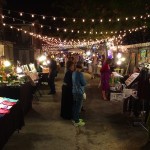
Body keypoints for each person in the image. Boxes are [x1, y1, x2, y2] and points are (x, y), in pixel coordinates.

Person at [72, 62, 86, 126]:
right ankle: (77, 121)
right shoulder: (80, 74)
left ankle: (74, 119)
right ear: (81, 67)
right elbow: (83, 83)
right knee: (78, 107)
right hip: (79, 92)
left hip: (74, 91)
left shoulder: (74, 73)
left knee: (75, 106)